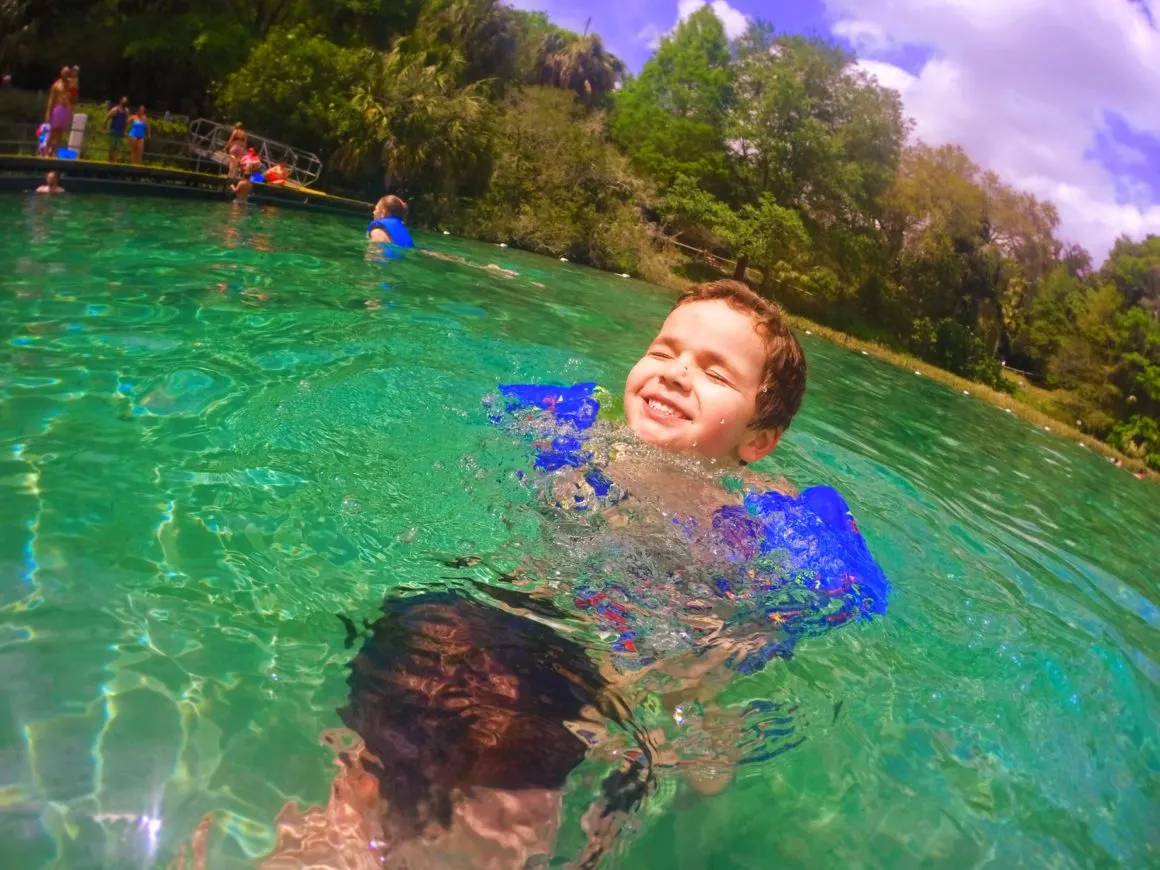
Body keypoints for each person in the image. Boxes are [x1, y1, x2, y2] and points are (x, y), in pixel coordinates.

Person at [259, 281, 842, 868]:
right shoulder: (581, 440)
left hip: (614, 669)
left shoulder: (745, 520)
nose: (675, 373)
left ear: (760, 440)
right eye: (664, 351)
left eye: (715, 373)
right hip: (506, 616)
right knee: (430, 647)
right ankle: (337, 833)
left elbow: (807, 604)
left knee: (524, 778)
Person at [43, 66, 74, 155]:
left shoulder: (70, 85)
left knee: (60, 132)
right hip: (58, 108)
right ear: (61, 72)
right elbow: (51, 100)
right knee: (53, 131)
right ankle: (46, 151)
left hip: (66, 108)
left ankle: (55, 152)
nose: (66, 74)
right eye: (65, 72)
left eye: (68, 72)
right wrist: (48, 113)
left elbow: (74, 99)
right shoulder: (56, 85)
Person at [105, 97, 129, 162]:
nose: (125, 103)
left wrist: (125, 131)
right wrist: (104, 128)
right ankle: (110, 161)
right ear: (120, 101)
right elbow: (107, 118)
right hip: (113, 130)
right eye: (124, 101)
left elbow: (125, 122)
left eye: (126, 101)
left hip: (120, 131)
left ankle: (114, 162)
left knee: (117, 147)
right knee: (112, 147)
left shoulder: (126, 111)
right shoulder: (115, 109)